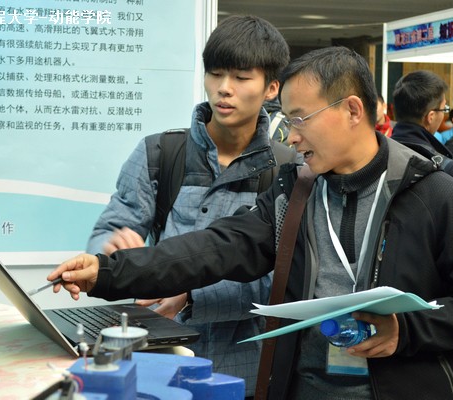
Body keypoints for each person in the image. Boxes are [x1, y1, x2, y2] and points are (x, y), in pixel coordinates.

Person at [48, 47, 453, 399]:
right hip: (303, 386)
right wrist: (109, 271)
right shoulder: (297, 191)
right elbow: (218, 246)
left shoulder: (436, 195)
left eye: (300, 119)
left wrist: (406, 331)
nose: (290, 137)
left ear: (353, 110)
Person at [85, 15, 298, 398]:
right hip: (158, 367)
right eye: (215, 74)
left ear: (271, 88)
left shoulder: (287, 169)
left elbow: (284, 282)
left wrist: (191, 294)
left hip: (244, 377)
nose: (224, 88)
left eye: (241, 77)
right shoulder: (160, 153)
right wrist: (113, 251)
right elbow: (109, 229)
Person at [390, 70, 453, 183]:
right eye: (444, 109)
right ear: (431, 116)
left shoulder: (376, 155)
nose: (443, 115)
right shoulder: (447, 170)